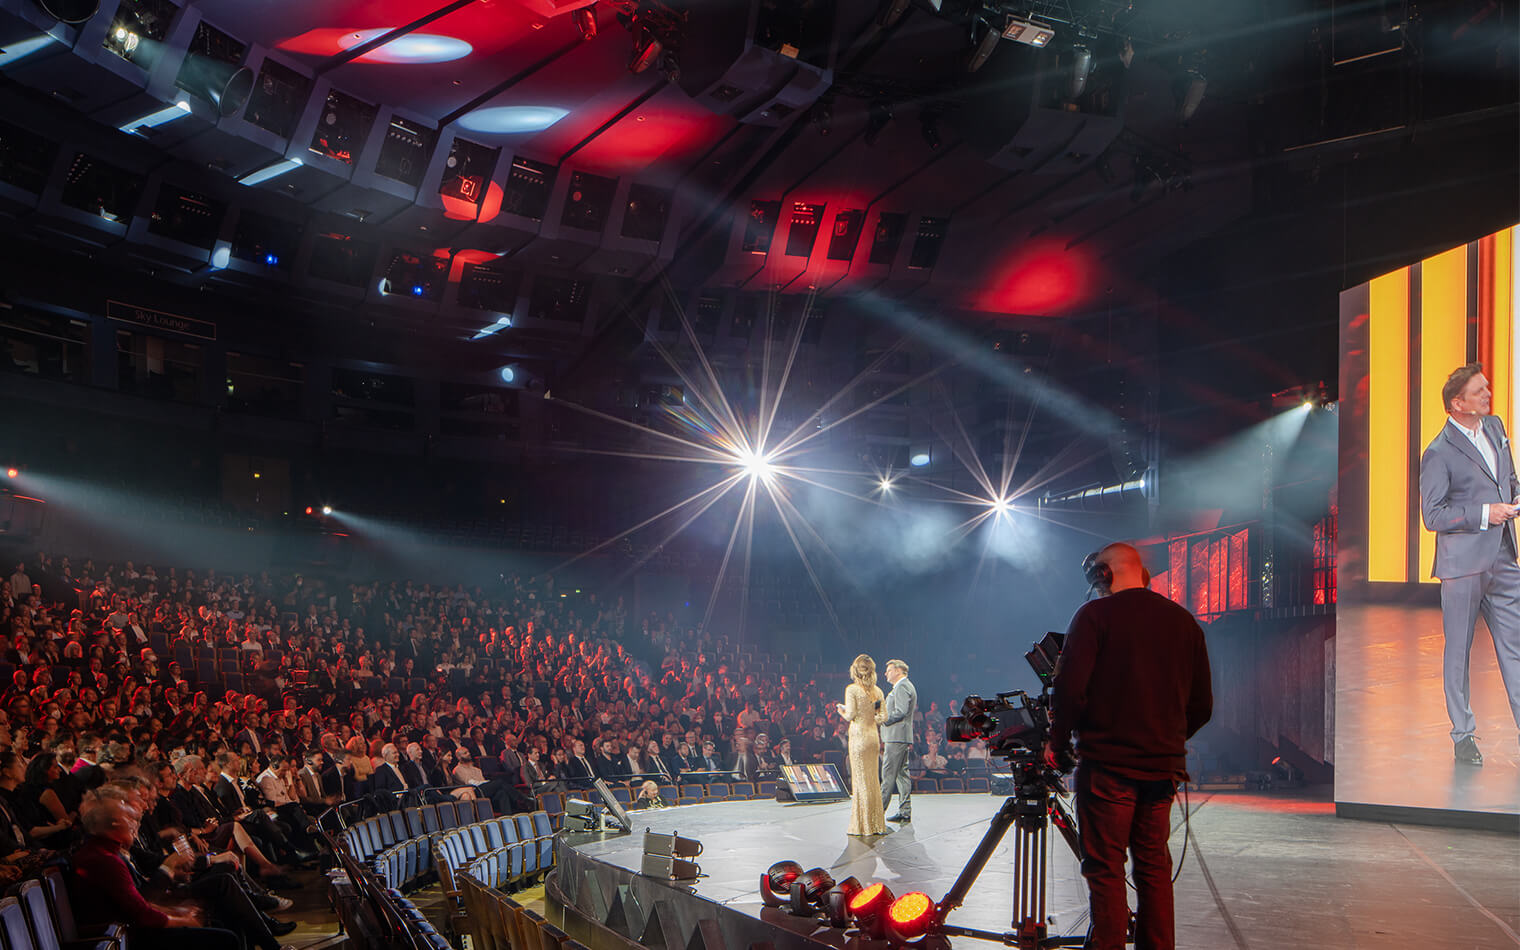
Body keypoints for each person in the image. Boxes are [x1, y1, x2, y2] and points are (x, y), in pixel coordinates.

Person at [1044, 542, 1212, 950]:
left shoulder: (1095, 616)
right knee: (1154, 867)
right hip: (1162, 772)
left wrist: (1057, 740)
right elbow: (1202, 706)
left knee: (1105, 869)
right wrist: (1161, 741)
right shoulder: (1185, 622)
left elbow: (1069, 689)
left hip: (1108, 768)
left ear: (1105, 574)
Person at [1419, 362, 1520, 765]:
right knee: (1459, 653)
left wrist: (1512, 499)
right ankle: (1463, 736)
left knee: (1515, 648)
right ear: (1456, 404)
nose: (1488, 394)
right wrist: (1484, 513)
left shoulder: (1494, 427)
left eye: (1487, 388)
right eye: (1479, 391)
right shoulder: (1438, 453)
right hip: (1462, 567)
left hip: (1503, 557)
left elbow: (1507, 479)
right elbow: (1433, 515)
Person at [836, 654, 886, 837]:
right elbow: (883, 717)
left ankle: (863, 826)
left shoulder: (852, 690)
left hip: (858, 737)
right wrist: (870, 716)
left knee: (861, 781)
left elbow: (850, 715)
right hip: (873, 737)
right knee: (872, 780)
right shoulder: (878, 692)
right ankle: (876, 824)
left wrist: (840, 710)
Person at [879, 658, 916, 823]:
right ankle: (905, 811)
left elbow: (900, 711)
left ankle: (878, 811)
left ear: (898, 671)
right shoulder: (903, 686)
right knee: (902, 774)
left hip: (896, 737)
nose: (886, 673)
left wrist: (884, 719)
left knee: (888, 773)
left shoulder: (902, 686)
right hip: (900, 736)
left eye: (889, 670)